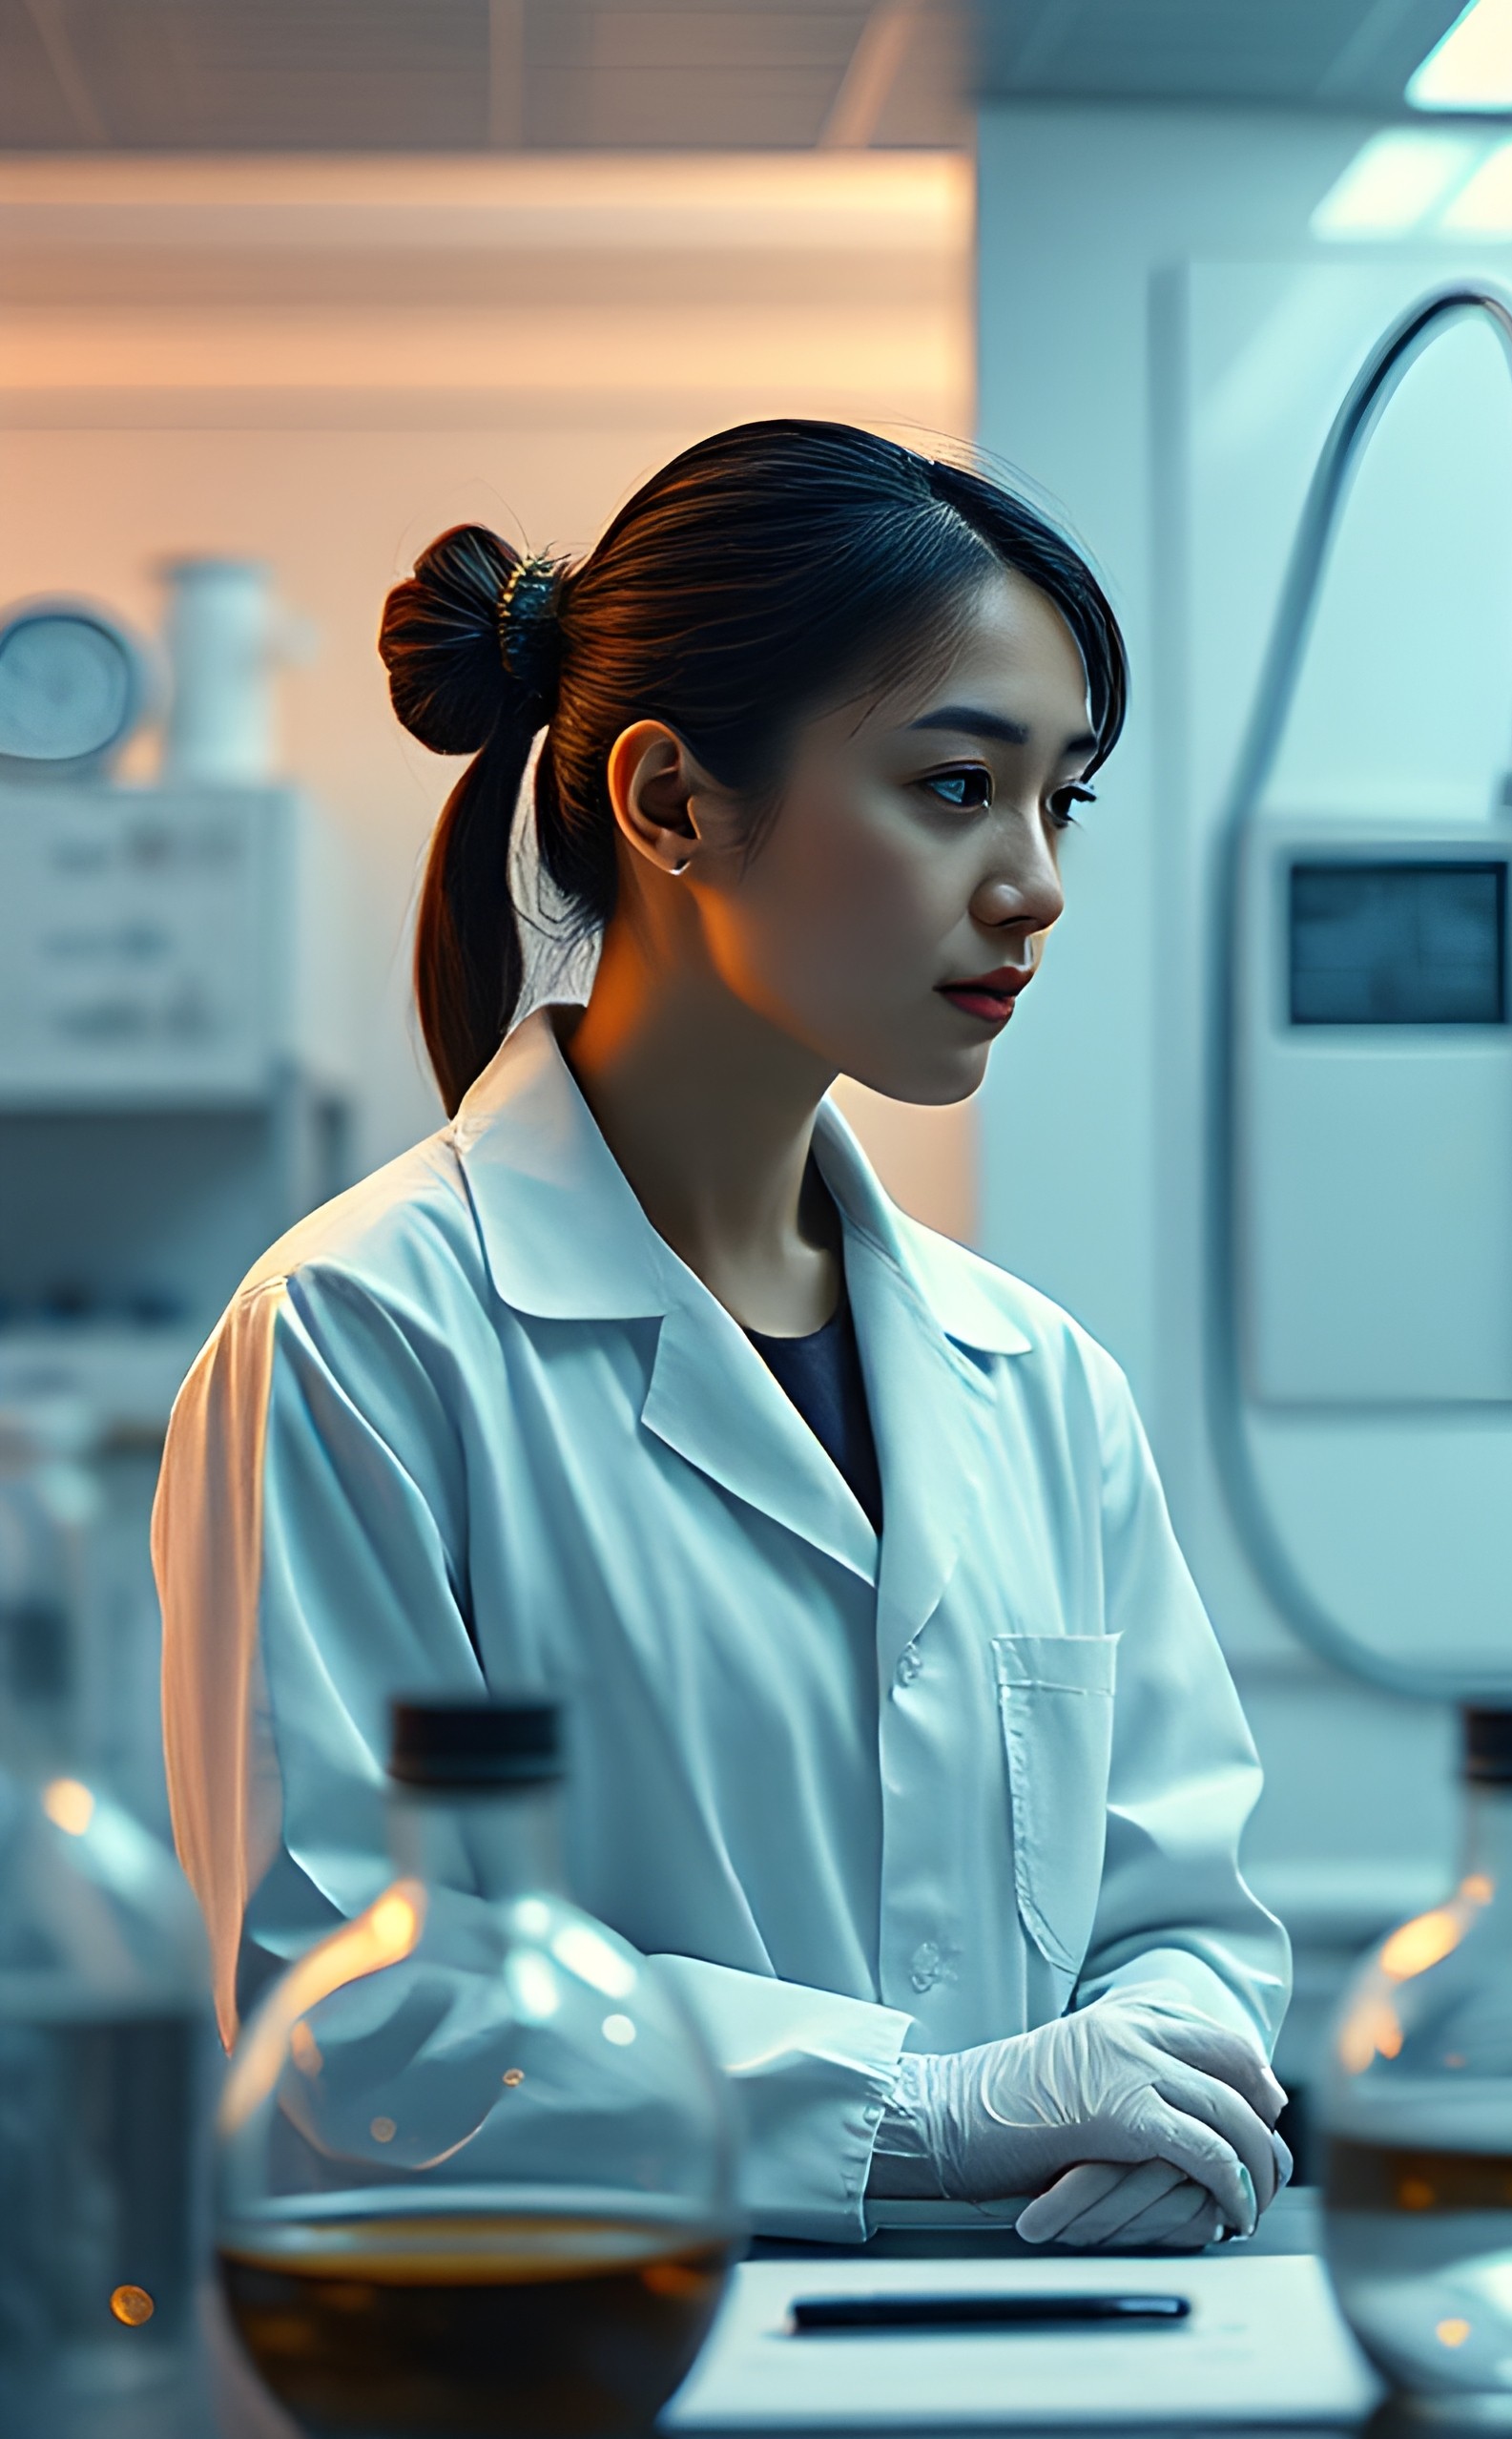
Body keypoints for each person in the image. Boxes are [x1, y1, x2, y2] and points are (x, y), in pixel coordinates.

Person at [155, 421, 1291, 2251]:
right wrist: (924, 2120)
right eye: (951, 787)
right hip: (596, 2368)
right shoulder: (359, 1343)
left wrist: (1159, 2072)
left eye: (1059, 798)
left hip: (1042, 2346)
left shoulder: (1040, 1381)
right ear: (671, 802)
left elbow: (1182, 1911)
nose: (1035, 883)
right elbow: (354, 2017)